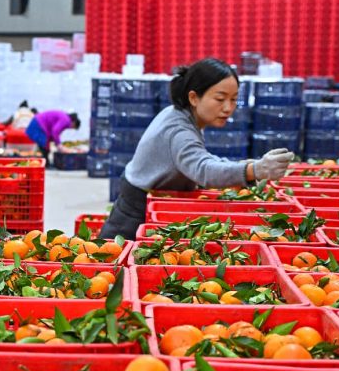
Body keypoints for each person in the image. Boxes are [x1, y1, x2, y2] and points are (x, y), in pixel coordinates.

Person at [99, 57, 293, 240]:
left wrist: (245, 166)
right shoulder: (179, 130)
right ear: (193, 97)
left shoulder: (182, 116)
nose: (228, 108)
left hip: (152, 199)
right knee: (116, 259)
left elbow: (200, 157)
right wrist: (254, 170)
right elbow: (203, 169)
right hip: (135, 211)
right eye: (220, 99)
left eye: (234, 99)